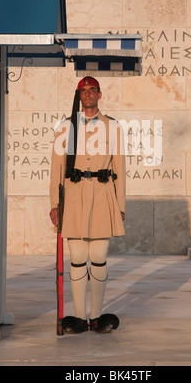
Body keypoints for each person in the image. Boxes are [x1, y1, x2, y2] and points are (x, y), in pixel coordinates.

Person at [49, 76, 126, 334]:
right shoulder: (65, 127)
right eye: (84, 91)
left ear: (99, 95)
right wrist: (54, 204)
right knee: (79, 257)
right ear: (79, 95)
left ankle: (96, 316)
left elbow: (120, 168)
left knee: (99, 257)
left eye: (92, 91)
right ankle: (80, 317)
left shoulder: (113, 127)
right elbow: (57, 168)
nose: (88, 95)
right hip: (74, 196)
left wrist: (121, 204)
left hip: (103, 196)